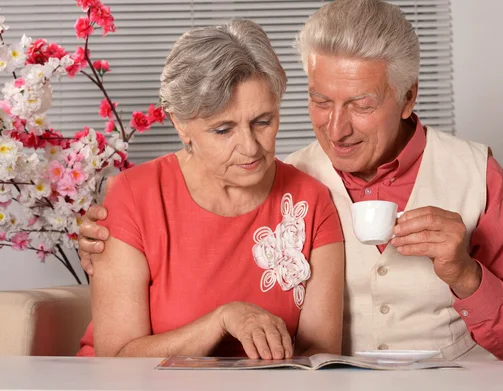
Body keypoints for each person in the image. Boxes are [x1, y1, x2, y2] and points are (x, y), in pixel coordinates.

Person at [78, 0, 503, 361]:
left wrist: (467, 276)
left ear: (407, 98)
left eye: (362, 105)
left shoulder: (474, 172)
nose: (336, 128)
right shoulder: (286, 175)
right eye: (320, 101)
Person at [75, 20, 345, 359]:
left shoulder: (311, 201)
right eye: (223, 130)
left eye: (263, 121)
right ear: (180, 124)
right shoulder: (135, 196)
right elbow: (117, 358)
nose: (250, 147)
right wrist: (221, 320)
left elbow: (317, 356)